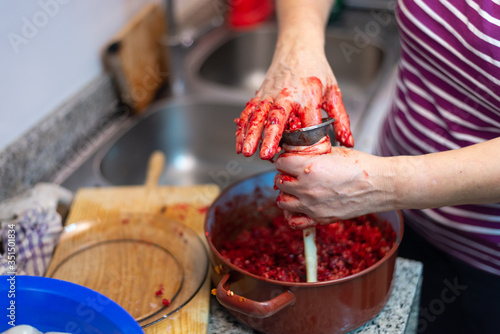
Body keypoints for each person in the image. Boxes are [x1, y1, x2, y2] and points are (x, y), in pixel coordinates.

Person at [234, 1, 500, 333]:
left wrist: (384, 185)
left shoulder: (381, 190)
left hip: (490, 260)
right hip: (400, 218)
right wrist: (297, 46)